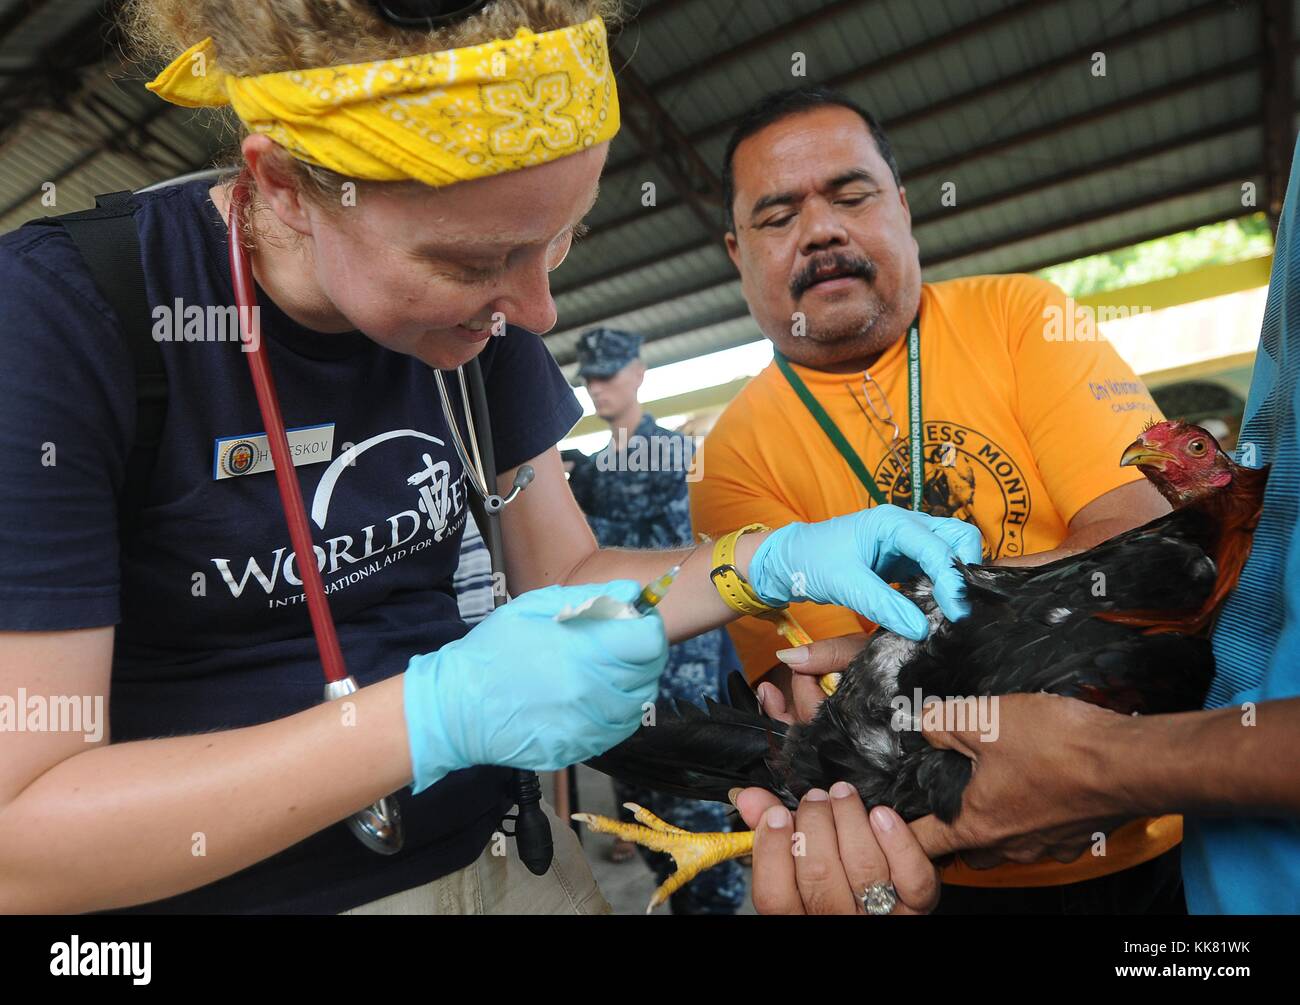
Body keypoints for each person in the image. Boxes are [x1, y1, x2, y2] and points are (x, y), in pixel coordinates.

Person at [0, 0, 980, 915]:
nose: (538, 313)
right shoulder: (62, 324)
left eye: (556, 243)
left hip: (504, 861)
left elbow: (565, 578)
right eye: (471, 262)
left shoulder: (478, 334)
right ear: (285, 188)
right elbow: (20, 839)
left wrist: (763, 562)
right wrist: (431, 718)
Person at [689, 85, 1181, 912]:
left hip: (1136, 831)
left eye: (852, 195)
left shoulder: (1023, 319)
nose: (821, 230)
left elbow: (1140, 549)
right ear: (737, 253)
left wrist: (916, 647)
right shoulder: (729, 456)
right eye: (778, 218)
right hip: (935, 862)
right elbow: (824, 694)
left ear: (905, 209)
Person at [566, 327, 744, 914]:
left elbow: (700, 556)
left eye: (609, 374)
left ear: (639, 372)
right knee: (639, 800)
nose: (598, 387)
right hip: (616, 661)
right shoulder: (589, 475)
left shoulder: (677, 455)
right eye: (590, 377)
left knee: (695, 807)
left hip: (681, 658)